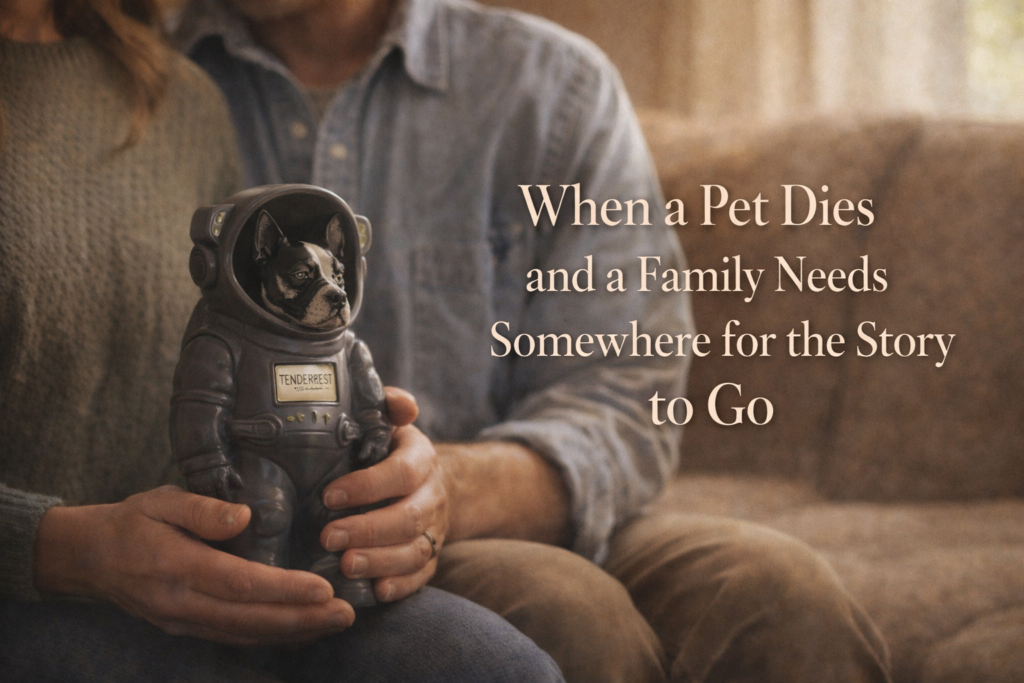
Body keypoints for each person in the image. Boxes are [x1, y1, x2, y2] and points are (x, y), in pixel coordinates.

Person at [175, 0, 897, 681]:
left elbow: (624, 394)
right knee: (566, 611)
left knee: (783, 594)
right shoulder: (149, 83)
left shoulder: (557, 87)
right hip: (295, 532)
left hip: (524, 502)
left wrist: (447, 487)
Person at [0, 2, 566, 681]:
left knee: (498, 667)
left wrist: (391, 460)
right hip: (43, 594)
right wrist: (64, 548)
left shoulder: (180, 96)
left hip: (227, 567)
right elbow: (206, 385)